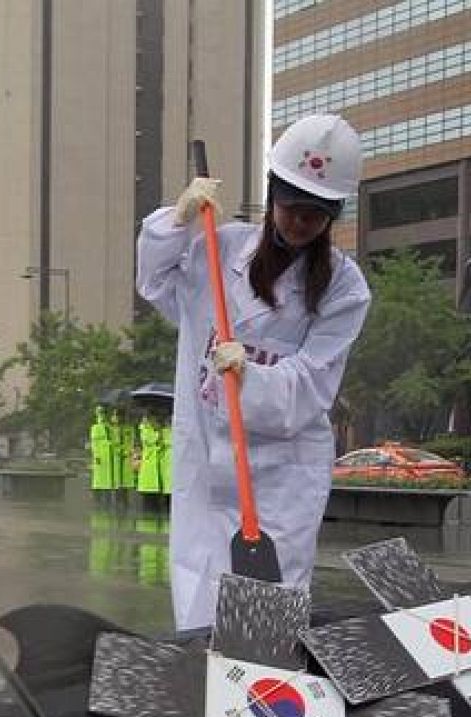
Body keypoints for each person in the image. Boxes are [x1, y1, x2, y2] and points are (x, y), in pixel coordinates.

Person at [137, 113, 372, 630]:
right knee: (201, 594)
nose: (299, 222)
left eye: (316, 213)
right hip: (205, 456)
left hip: (281, 474)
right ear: (271, 194)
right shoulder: (217, 251)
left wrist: (250, 377)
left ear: (333, 213)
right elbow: (153, 282)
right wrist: (176, 221)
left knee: (271, 615)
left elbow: (312, 387)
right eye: (291, 205)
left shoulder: (344, 288)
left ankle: (269, 701)